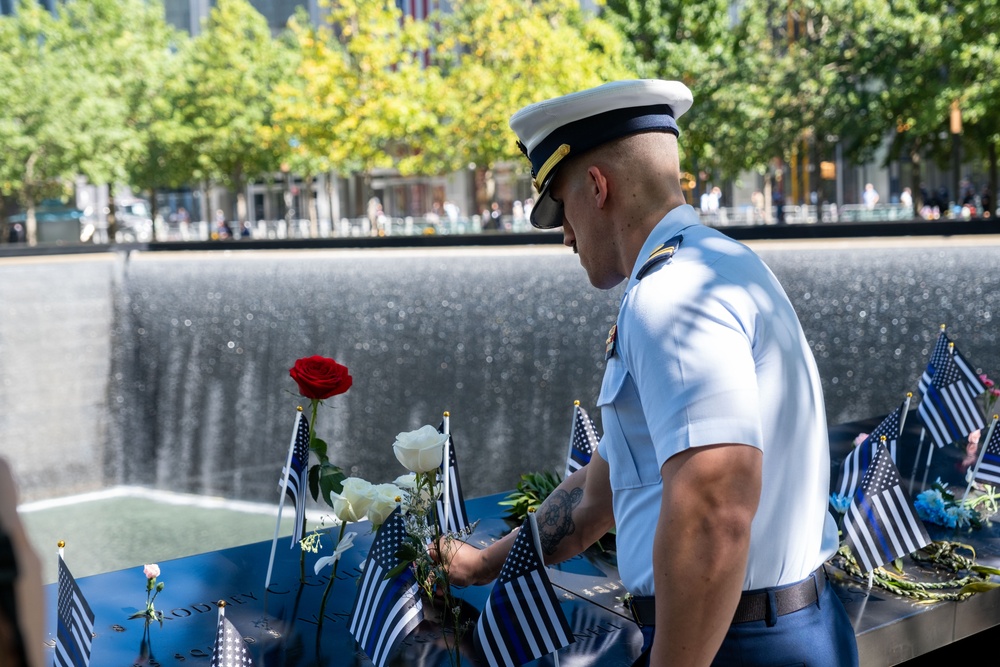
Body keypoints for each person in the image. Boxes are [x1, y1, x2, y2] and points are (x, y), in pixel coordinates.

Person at [437, 79, 857, 666]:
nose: (564, 234)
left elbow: (714, 504)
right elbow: (596, 494)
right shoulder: (720, 265)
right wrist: (483, 563)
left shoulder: (673, 298)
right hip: (770, 628)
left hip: (735, 645)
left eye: (560, 205)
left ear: (596, 185)